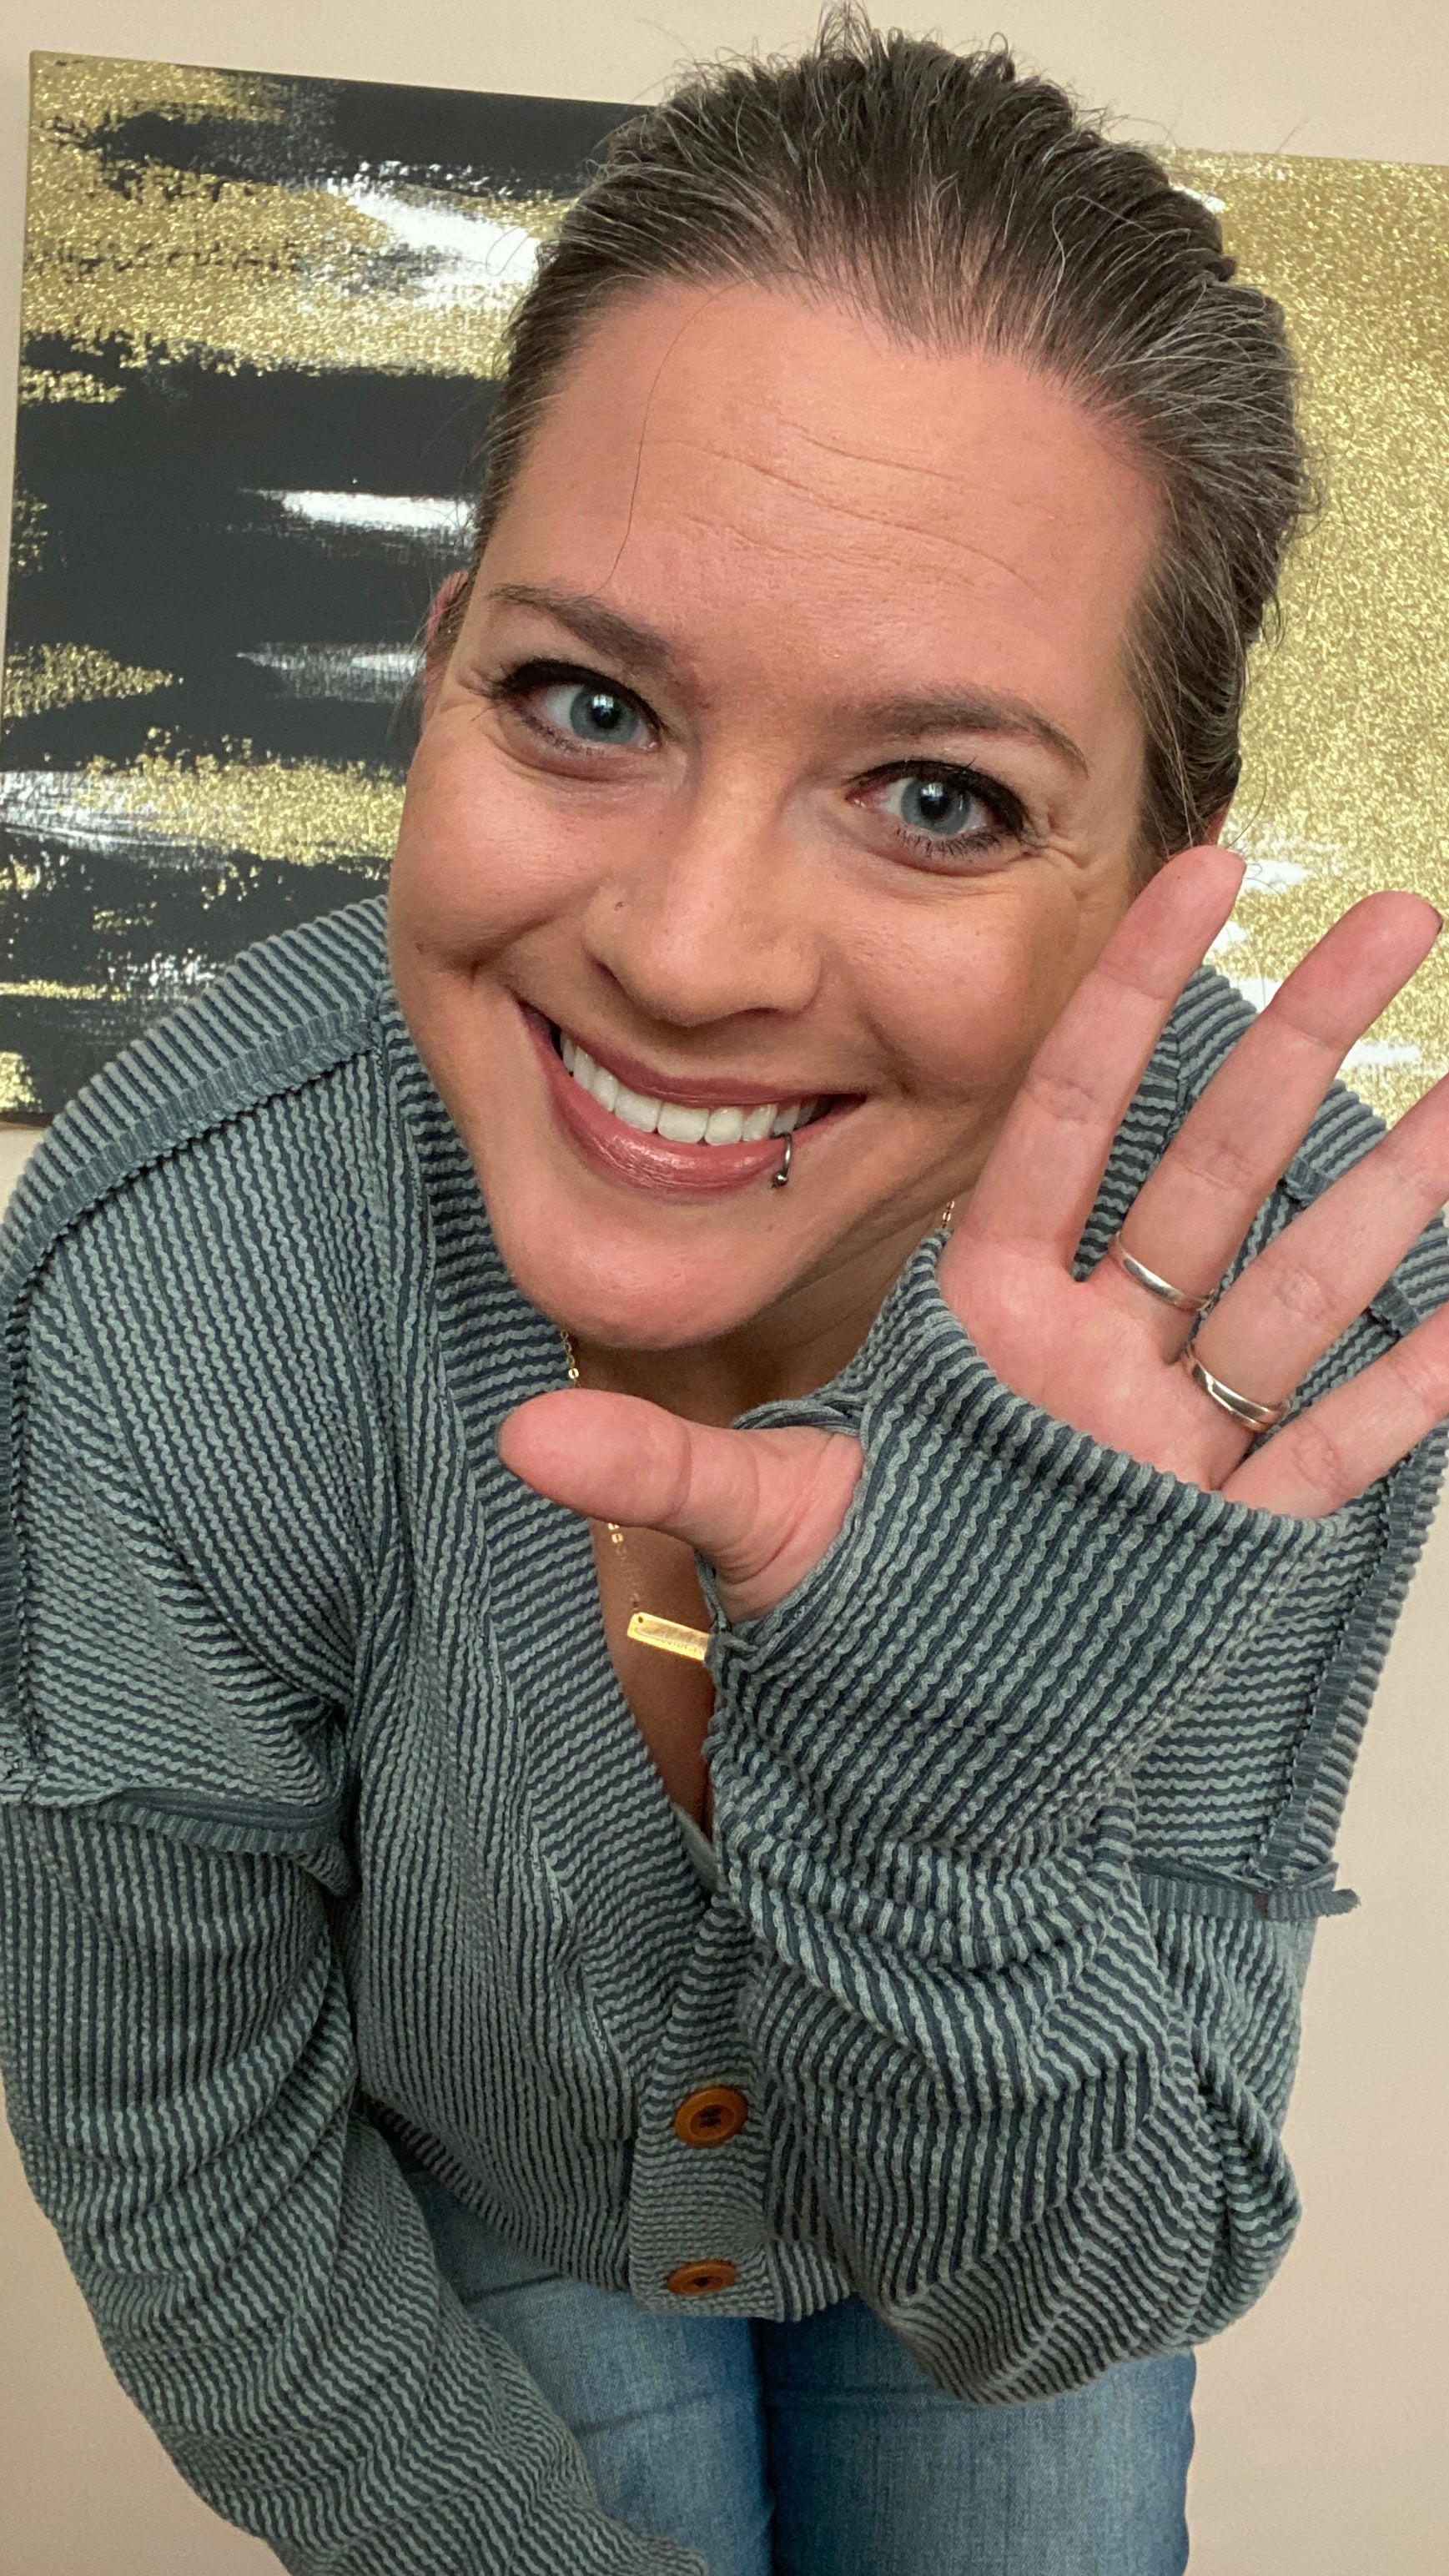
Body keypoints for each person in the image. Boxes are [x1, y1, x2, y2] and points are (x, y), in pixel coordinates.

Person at [2, 14, 1446, 2574]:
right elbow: (175, 2133)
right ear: (445, 667)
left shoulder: (1278, 1314)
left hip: (998, 2188)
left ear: (1148, 880)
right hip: (468, 2180)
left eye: (937, 798)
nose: (680, 953)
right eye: (588, 703)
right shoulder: (177, 1268)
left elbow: (1075, 2290)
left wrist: (932, 1819)